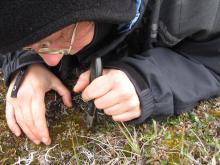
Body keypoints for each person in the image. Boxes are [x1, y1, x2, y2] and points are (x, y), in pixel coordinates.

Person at [1, 0, 220, 145]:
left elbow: (213, 55)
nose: (53, 59)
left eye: (58, 39)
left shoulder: (192, 8)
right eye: (33, 45)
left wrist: (145, 80)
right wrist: (27, 64)